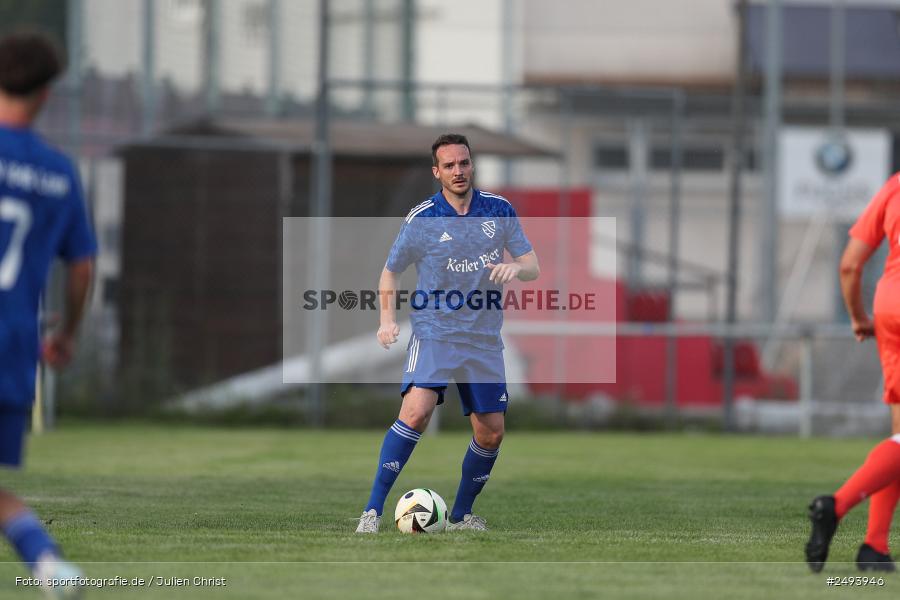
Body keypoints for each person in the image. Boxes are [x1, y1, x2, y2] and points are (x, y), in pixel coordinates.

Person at [355, 133, 539, 533]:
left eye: (464, 163)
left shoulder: (499, 210)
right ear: (437, 172)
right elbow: (391, 272)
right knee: (416, 413)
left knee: (491, 433)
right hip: (435, 332)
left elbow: (532, 264)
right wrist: (386, 320)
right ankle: (371, 511)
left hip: (484, 339)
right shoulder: (423, 218)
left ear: (472, 166)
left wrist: (518, 269)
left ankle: (459, 517)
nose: (459, 171)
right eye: (450, 165)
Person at [0, 32, 97, 597]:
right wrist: (67, 333)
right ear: (45, 94)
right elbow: (82, 267)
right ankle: (49, 563)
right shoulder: (58, 172)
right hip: (13, 348)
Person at [805, 173, 900, 573]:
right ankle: (837, 505)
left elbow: (849, 265)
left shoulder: (896, 186)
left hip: (889, 309)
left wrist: (859, 316)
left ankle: (874, 547)